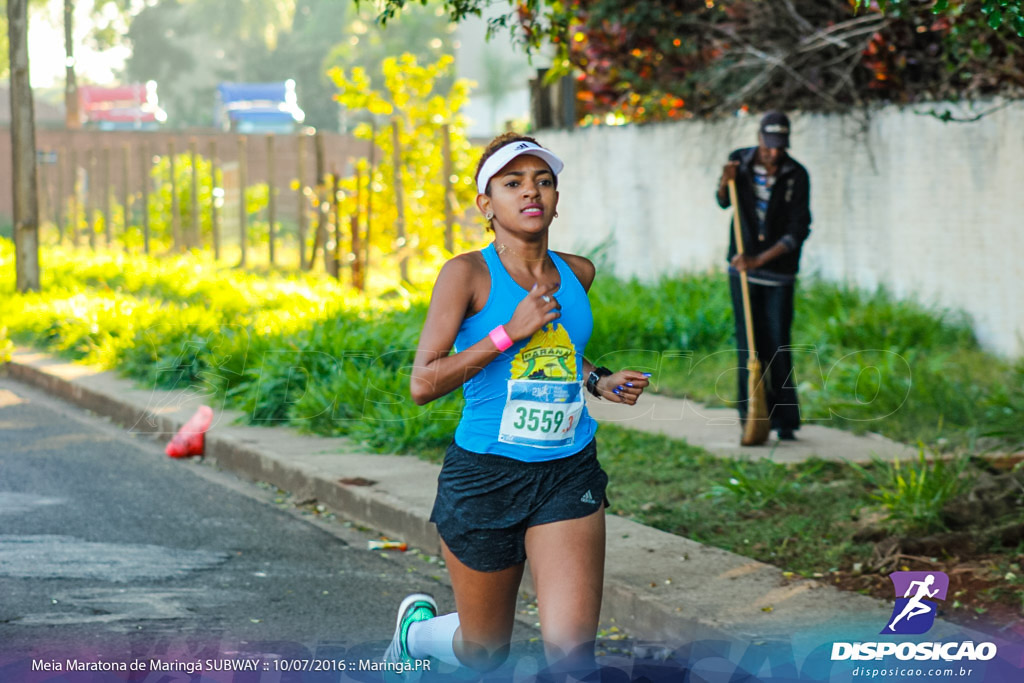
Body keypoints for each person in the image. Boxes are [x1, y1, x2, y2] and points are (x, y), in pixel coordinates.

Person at [383, 133, 650, 676]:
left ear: (556, 198)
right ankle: (417, 636)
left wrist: (597, 380)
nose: (531, 192)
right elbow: (423, 383)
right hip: (485, 476)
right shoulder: (465, 275)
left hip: (565, 471)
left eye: (543, 181)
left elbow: (561, 354)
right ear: (487, 205)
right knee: (484, 653)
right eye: (513, 183)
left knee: (574, 658)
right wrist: (508, 331)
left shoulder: (578, 273)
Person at [716, 111, 811, 441]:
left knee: (777, 345)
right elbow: (722, 202)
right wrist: (724, 179)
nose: (773, 153)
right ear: (759, 139)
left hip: (777, 275)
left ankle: (785, 420)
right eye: (769, 146)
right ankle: (751, 418)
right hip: (743, 273)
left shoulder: (796, 174)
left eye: (779, 147)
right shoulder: (738, 162)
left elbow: (798, 231)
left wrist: (760, 260)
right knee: (748, 346)